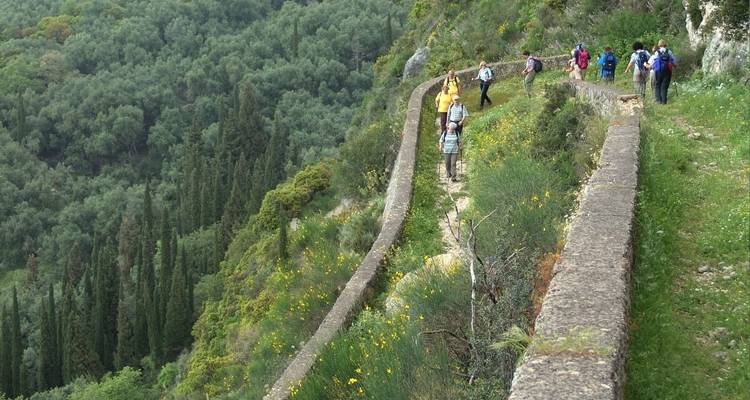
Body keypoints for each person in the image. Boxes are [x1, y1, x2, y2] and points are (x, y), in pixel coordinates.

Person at [651, 39, 676, 104]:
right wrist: (675, 66)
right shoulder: (668, 51)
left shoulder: (657, 52)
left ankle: (658, 100)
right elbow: (673, 60)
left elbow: (653, 62)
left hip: (658, 70)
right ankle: (664, 101)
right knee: (664, 86)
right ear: (665, 45)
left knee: (658, 85)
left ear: (659, 45)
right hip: (667, 70)